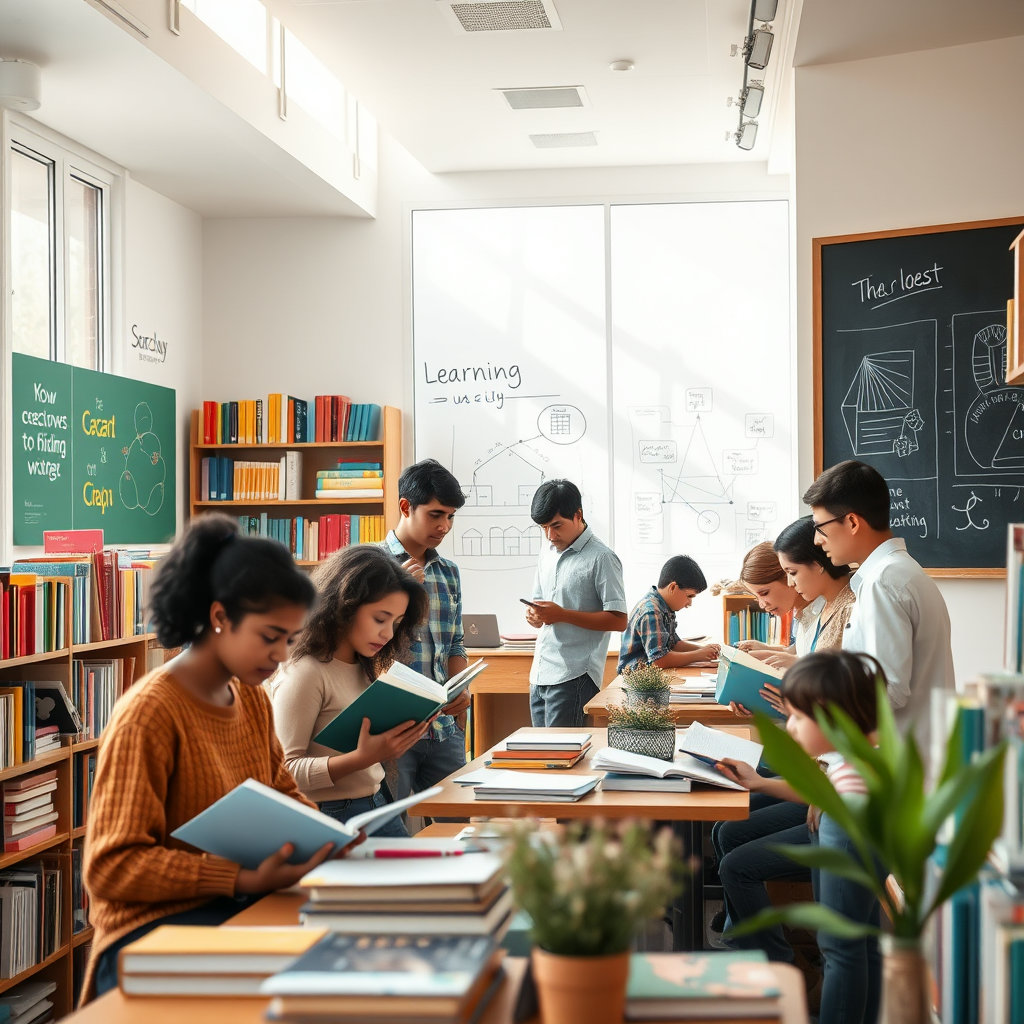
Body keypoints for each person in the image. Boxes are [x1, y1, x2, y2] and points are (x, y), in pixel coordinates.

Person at [82, 514, 335, 1002]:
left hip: (235, 907)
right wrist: (239, 877)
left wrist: (325, 840)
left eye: (290, 639)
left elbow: (280, 789)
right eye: (270, 636)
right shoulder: (150, 714)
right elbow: (109, 867)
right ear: (220, 617)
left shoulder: (252, 697)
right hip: (151, 934)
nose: (282, 655)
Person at [718, 650, 884, 1024]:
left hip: (845, 832)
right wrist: (759, 782)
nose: (789, 728)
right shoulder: (860, 757)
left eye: (796, 718)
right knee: (860, 943)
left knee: (839, 948)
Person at [270, 545, 431, 835]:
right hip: (331, 815)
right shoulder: (306, 672)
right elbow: (282, 772)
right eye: (380, 619)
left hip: (377, 803)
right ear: (344, 606)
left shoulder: (361, 663)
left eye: (396, 623)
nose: (388, 634)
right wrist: (362, 758)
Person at [803, 458, 955, 754]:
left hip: (899, 761)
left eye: (820, 528)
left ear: (852, 522)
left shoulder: (882, 582)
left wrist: (812, 705)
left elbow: (888, 689)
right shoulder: (900, 572)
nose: (816, 541)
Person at [379, 459, 471, 799]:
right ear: (406, 507)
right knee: (394, 831)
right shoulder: (370, 565)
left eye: (450, 516)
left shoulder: (448, 572)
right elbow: (358, 646)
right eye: (435, 515)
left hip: (445, 729)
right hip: (393, 731)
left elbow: (455, 644)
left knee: (457, 825)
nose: (445, 526)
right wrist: (399, 595)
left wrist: (461, 692)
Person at [525, 479, 627, 727]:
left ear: (578, 515)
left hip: (574, 675)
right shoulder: (546, 552)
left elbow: (619, 620)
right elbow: (541, 606)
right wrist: (534, 615)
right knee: (542, 757)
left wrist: (562, 615)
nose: (550, 535)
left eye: (557, 525)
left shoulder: (602, 557)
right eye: (544, 527)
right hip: (539, 674)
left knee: (562, 760)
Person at [617, 554, 719, 674]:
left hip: (652, 676)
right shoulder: (651, 611)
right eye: (689, 596)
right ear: (673, 588)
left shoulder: (664, 607)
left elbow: (675, 644)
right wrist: (698, 655)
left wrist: (705, 649)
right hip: (636, 680)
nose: (689, 603)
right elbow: (659, 660)